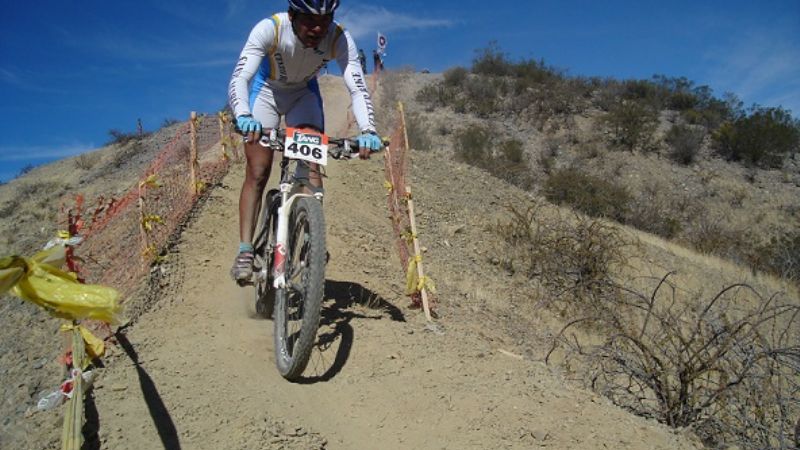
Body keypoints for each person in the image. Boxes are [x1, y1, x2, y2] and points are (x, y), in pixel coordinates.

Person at [228, 0, 382, 282]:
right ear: (292, 15)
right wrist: (243, 115)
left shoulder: (338, 37)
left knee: (311, 166)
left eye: (324, 20)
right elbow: (240, 77)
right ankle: (246, 249)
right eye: (309, 21)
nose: (317, 28)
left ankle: (312, 236)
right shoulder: (270, 29)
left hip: (303, 95)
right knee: (258, 171)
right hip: (267, 93)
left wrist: (368, 129)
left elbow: (358, 87)